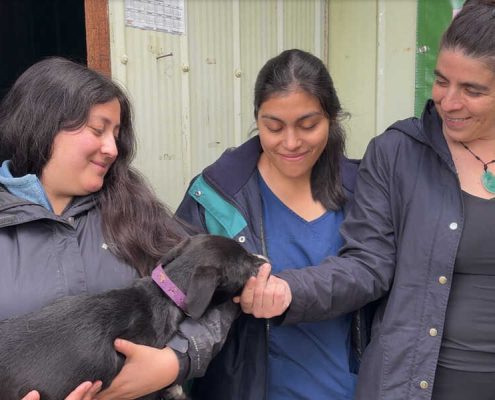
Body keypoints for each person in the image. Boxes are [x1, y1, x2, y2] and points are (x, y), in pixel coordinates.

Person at [237, 1, 495, 400]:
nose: (448, 102)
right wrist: (291, 290)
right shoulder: (399, 153)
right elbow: (368, 264)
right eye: (441, 81)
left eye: (472, 90)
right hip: (412, 385)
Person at [0, 57, 237, 400]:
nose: (112, 149)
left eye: (116, 134)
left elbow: (224, 291)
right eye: (98, 130)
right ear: (44, 124)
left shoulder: (136, 212)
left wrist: (175, 360)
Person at [176, 49, 370, 400]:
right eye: (274, 127)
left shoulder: (364, 191)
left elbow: (376, 276)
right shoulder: (215, 196)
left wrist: (288, 291)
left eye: (308, 125)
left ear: (332, 118)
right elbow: (177, 296)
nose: (291, 142)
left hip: (345, 389)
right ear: (257, 119)